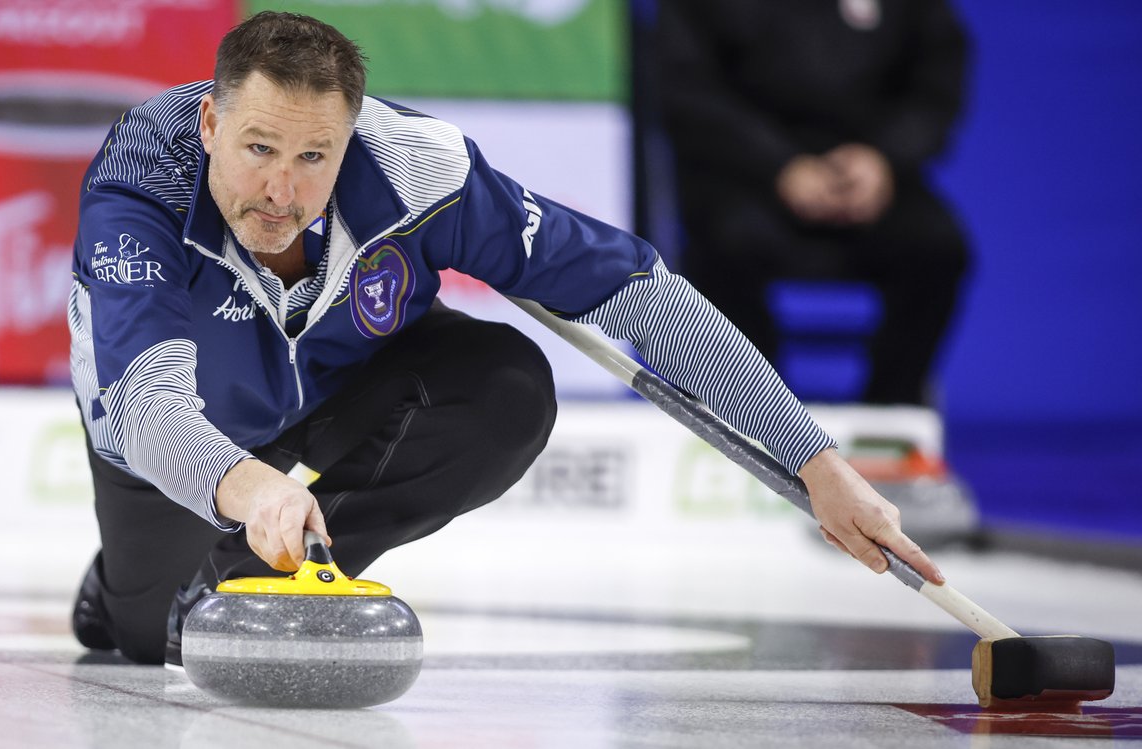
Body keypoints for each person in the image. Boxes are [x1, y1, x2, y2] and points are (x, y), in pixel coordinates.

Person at [68, 11, 944, 667]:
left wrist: (816, 463)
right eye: (259, 148)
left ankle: (238, 584)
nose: (283, 191)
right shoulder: (142, 179)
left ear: (353, 136)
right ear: (213, 126)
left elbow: (637, 292)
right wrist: (249, 487)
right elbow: (146, 407)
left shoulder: (421, 170)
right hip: (182, 432)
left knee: (508, 386)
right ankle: (122, 591)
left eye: (314, 158)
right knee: (148, 637)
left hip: (346, 386)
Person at [654, 0, 971, 405]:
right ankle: (752, 412)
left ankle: (889, 416)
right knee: (725, 241)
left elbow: (935, 85)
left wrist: (884, 158)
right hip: (743, 173)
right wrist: (779, 165)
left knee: (937, 247)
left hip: (868, 175)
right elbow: (685, 87)